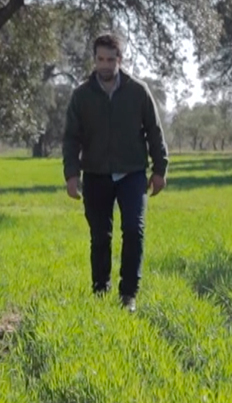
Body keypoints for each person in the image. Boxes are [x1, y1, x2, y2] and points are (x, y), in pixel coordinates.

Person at [62, 33, 169, 313]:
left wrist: (160, 170)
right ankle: (100, 290)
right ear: (95, 60)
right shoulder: (82, 96)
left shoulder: (138, 91)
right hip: (96, 174)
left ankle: (128, 294)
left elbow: (154, 133)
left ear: (120, 60)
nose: (105, 65)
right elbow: (71, 137)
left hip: (132, 173)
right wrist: (72, 174)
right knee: (100, 235)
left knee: (134, 229)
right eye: (100, 59)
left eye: (111, 59)